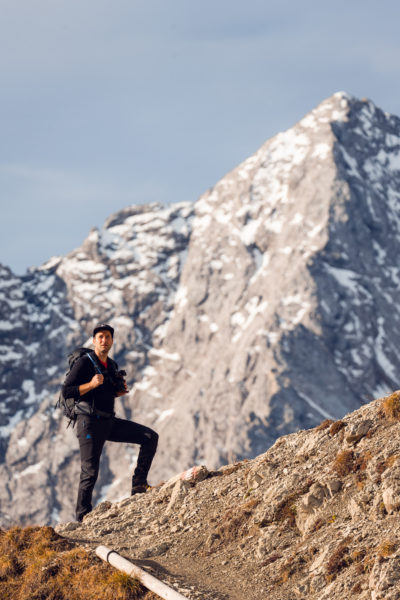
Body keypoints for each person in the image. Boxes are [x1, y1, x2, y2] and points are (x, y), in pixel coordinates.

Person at [62, 323, 158, 522]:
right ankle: (82, 518)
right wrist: (91, 384)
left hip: (108, 421)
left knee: (150, 437)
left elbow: (107, 392)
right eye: (100, 337)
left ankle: (139, 484)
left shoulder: (112, 365)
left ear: (112, 341)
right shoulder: (84, 363)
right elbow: (67, 391)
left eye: (107, 336)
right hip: (88, 422)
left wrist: (118, 392)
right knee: (90, 471)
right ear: (94, 341)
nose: (104, 340)